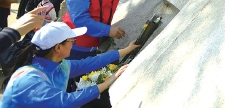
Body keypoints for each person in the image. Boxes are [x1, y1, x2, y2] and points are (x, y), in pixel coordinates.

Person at [1, 22, 140, 107]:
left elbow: (90, 63)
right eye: (71, 41)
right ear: (58, 48)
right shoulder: (29, 79)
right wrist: (108, 82)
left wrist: (126, 50)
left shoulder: (58, 65)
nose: (74, 43)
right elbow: (65, 102)